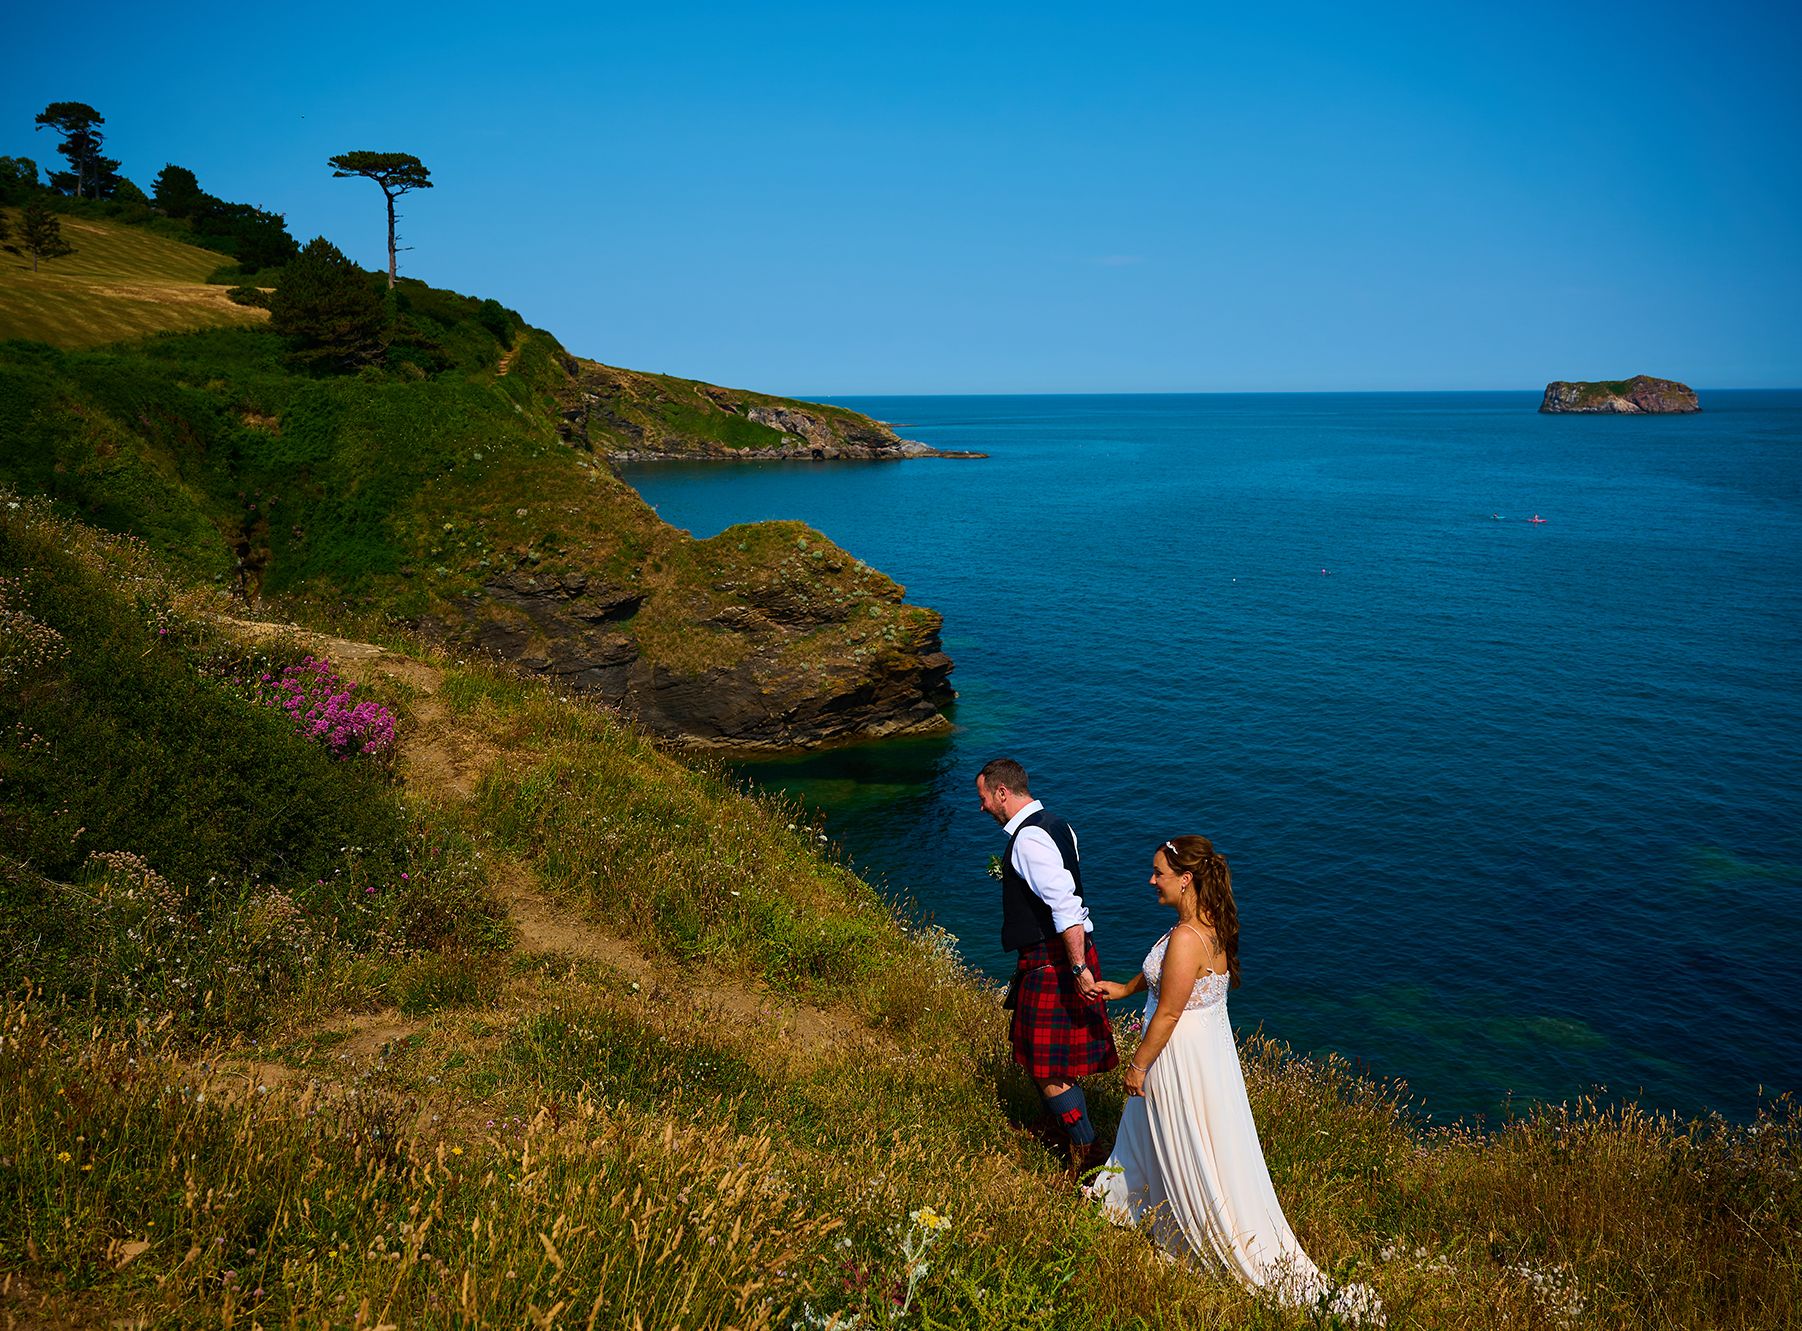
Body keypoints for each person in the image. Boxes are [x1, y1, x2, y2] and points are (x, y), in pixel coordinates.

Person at [1088, 836, 1381, 1322]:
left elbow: (1169, 1012)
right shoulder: (1206, 925)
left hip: (1177, 1054)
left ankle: (1173, 1220)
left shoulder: (1187, 938)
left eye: (1159, 872)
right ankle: (1132, 1204)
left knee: (1182, 1139)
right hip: (1201, 1051)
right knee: (1158, 1134)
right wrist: (1123, 988)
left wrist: (1138, 1065)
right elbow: (1167, 976)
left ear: (1185, 879)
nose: (1151, 880)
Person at [975, 757, 1118, 1179]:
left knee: (1046, 1064)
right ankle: (1057, 1126)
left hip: (1054, 962)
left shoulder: (1029, 839)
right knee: (1046, 1056)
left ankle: (1087, 1152)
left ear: (1002, 792)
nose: (981, 807)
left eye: (984, 797)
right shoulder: (1058, 825)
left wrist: (1077, 969)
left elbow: (1065, 906)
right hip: (1056, 958)